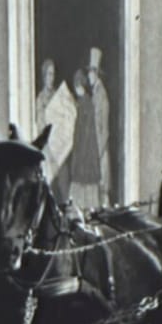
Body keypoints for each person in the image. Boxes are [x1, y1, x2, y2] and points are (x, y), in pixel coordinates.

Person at [34, 58, 77, 190]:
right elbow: (41, 126)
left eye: (53, 74)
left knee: (64, 184)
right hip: (48, 149)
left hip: (61, 147)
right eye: (49, 74)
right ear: (44, 76)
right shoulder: (40, 99)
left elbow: (69, 113)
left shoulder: (58, 95)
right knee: (48, 186)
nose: (51, 78)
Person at [68, 67, 102, 212]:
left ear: (79, 86)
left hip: (84, 157)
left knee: (81, 201)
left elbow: (81, 135)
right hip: (89, 156)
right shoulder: (87, 103)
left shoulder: (83, 104)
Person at [86, 48, 112, 201]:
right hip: (95, 149)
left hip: (100, 150)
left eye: (90, 72)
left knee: (103, 189)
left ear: (95, 73)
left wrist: (98, 151)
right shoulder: (95, 93)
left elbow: (105, 129)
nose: (88, 76)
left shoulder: (102, 95)